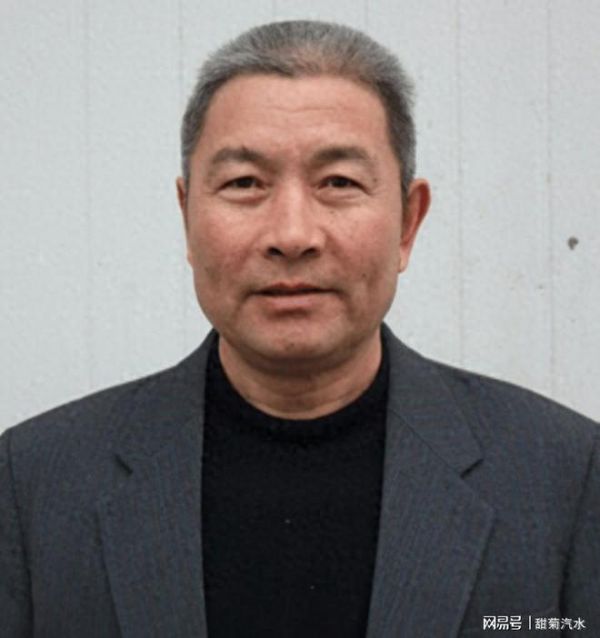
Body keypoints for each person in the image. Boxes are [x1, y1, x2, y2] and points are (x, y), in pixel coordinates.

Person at [1, 20, 598, 638]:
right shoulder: (37, 483)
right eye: (244, 184)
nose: (291, 235)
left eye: (338, 183)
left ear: (407, 223)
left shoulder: (564, 476)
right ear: (187, 218)